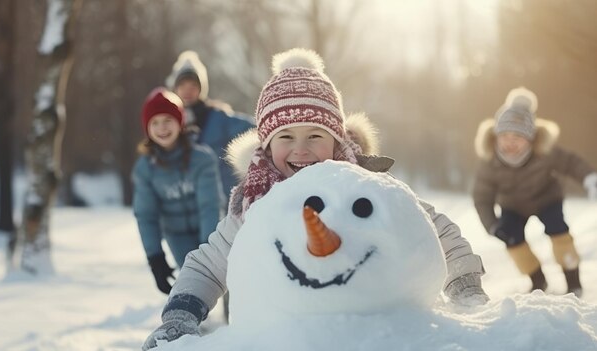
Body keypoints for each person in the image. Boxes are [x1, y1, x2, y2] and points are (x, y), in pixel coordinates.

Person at [142, 48, 489, 350]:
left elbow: (431, 227)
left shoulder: (363, 184)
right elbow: (209, 264)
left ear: (337, 139)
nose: (301, 149)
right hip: (287, 338)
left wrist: (464, 282)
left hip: (378, 334)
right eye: (286, 136)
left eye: (315, 135)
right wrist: (182, 313)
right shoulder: (258, 204)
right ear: (266, 145)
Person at [472, 87, 597, 297]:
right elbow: (481, 197)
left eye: (518, 137)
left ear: (530, 139)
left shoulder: (544, 152)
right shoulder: (490, 163)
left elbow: (571, 163)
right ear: (495, 137)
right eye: (504, 136)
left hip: (547, 199)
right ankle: (537, 279)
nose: (510, 142)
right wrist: (492, 225)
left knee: (557, 228)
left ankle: (572, 279)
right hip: (512, 206)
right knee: (510, 235)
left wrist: (589, 178)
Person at [132, 87, 225, 295]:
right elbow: (146, 215)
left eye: (167, 120)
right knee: (193, 281)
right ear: (147, 129)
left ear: (180, 122)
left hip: (211, 229)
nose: (162, 128)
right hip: (176, 235)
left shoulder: (202, 159)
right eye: (154, 123)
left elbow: (209, 206)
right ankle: (198, 324)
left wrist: (209, 251)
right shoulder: (145, 168)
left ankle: (233, 319)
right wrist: (155, 258)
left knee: (223, 275)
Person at [166, 50, 255, 204]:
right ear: (175, 88)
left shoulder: (217, 117)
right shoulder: (168, 124)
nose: (188, 90)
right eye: (183, 85)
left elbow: (253, 127)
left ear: (201, 89)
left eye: (193, 85)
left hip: (222, 201)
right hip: (189, 206)